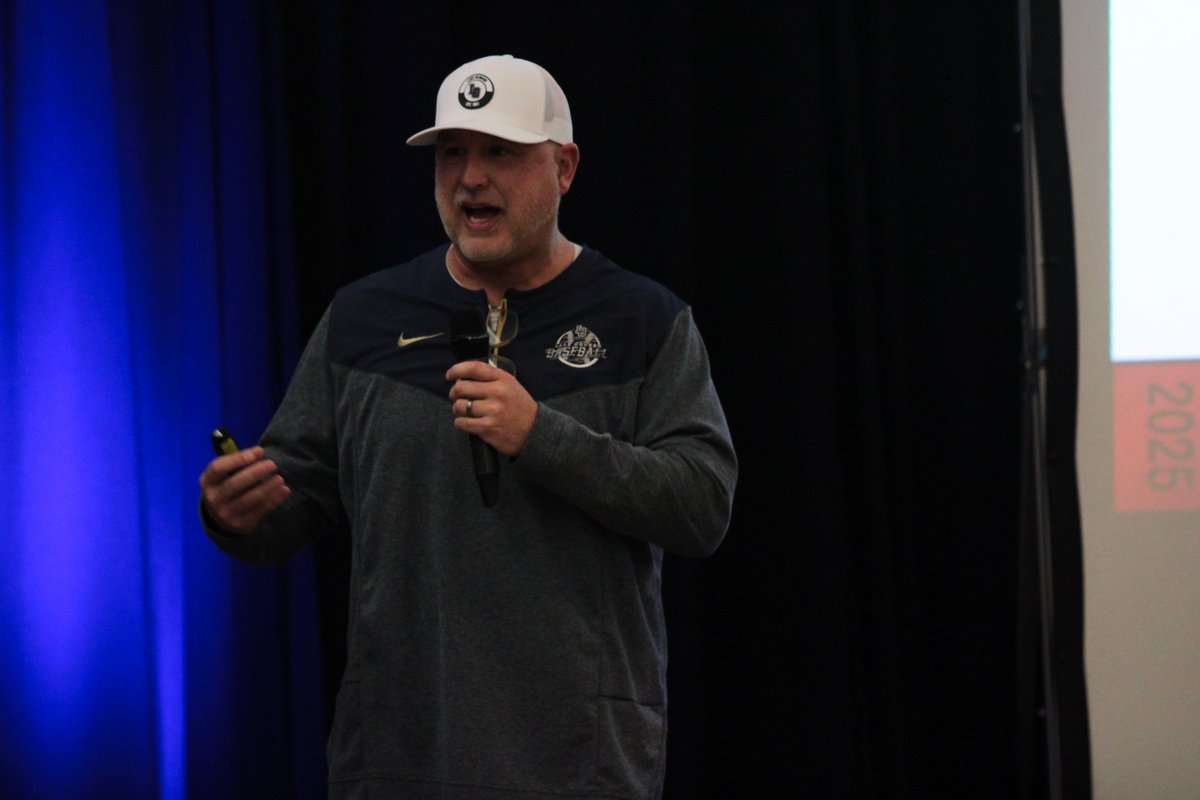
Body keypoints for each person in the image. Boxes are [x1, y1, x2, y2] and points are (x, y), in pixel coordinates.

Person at [199, 54, 736, 800]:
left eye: (500, 153)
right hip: (399, 755)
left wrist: (541, 435)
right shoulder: (363, 317)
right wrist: (234, 513)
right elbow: (294, 499)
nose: (470, 179)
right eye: (452, 153)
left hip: (577, 764)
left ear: (564, 167)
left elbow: (701, 505)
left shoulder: (644, 321)